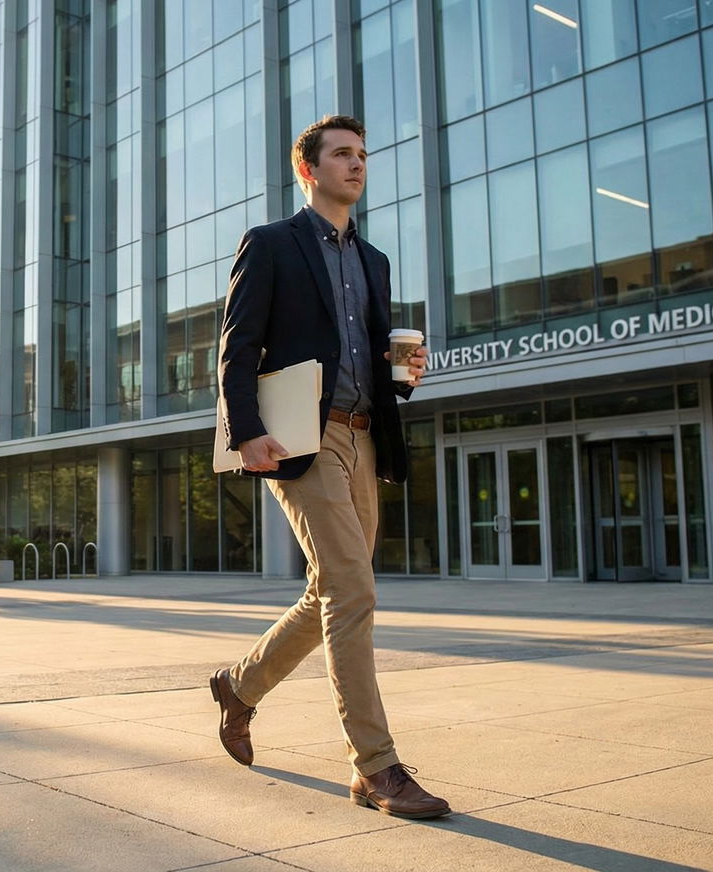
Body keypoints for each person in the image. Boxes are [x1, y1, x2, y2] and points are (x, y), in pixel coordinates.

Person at [210, 114, 448, 820]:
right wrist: (245, 432)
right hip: (297, 440)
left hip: (362, 435)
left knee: (332, 592)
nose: (357, 164)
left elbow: (374, 357)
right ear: (308, 170)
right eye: (342, 154)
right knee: (354, 591)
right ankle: (376, 767)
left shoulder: (372, 261)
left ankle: (239, 688)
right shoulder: (273, 244)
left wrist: (403, 373)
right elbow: (237, 345)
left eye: (363, 155)